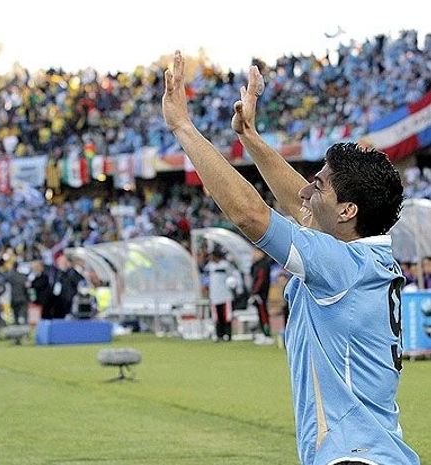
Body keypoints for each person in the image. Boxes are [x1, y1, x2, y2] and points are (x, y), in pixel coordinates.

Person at [163, 52, 418, 465]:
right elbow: (304, 209)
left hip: (352, 457)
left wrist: (182, 126)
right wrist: (250, 137)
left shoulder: (342, 267)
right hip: (376, 452)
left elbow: (251, 215)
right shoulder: (366, 256)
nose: (304, 192)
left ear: (347, 211)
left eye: (319, 186)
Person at [204, 248, 238, 341]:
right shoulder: (209, 267)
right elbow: (205, 279)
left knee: (226, 316)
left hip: (225, 295)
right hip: (214, 296)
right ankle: (219, 335)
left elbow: (233, 277)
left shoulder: (225, 265)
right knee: (217, 317)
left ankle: (228, 335)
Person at [249, 247, 274, 345]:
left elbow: (261, 279)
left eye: (255, 252)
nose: (254, 254)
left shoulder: (263, 264)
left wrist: (255, 292)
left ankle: (267, 334)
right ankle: (263, 333)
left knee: (263, 315)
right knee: (260, 314)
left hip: (261, 294)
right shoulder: (256, 264)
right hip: (258, 294)